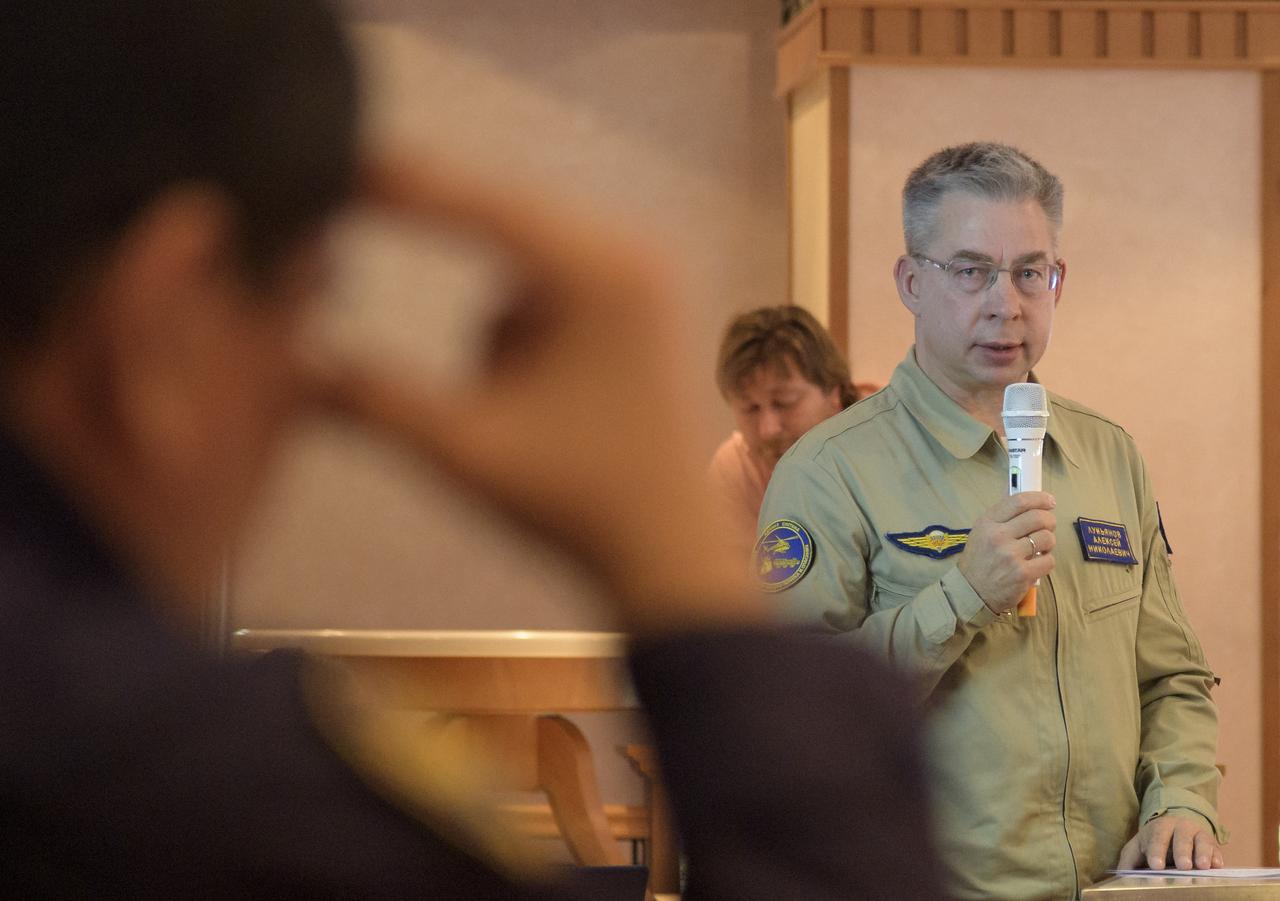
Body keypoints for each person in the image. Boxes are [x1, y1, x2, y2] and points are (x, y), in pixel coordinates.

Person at [0, 1, 946, 898]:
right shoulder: (175, 787)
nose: (303, 389)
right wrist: (675, 560)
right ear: (167, 310)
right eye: (304, 301)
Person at [756, 142, 1225, 900]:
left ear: (1056, 282)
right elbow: (793, 718)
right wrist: (962, 595)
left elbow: (1171, 675)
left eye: (1029, 272)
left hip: (1110, 886)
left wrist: (1182, 799)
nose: (1006, 302)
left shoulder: (1109, 454)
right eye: (971, 270)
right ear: (911, 281)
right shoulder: (829, 471)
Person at [710, 305, 857, 551]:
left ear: (835, 393)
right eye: (751, 408)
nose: (768, 430)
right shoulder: (738, 469)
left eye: (784, 403)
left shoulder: (893, 440)